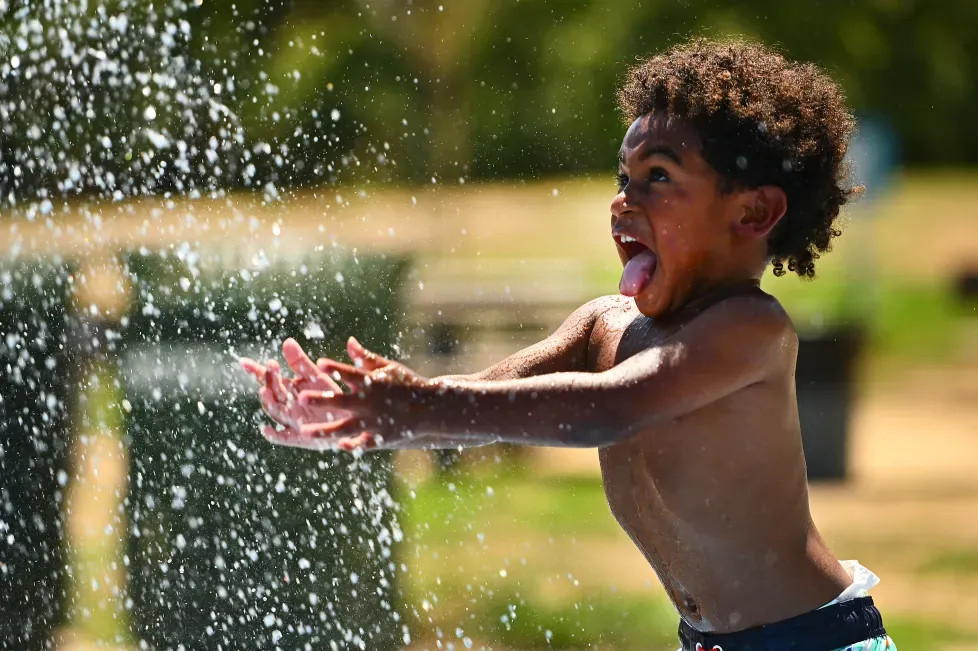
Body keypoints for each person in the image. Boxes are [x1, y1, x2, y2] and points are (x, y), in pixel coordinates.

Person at [240, 38, 895, 651]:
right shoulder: (605, 324)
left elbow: (606, 410)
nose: (623, 201)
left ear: (752, 213)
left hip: (818, 639)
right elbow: (482, 403)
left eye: (658, 177)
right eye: (622, 176)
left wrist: (419, 405)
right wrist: (367, 413)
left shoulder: (748, 330)